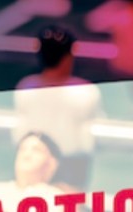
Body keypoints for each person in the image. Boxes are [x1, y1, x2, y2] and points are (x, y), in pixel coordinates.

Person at [15, 29, 103, 189]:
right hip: (73, 164)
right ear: (69, 56)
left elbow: (19, 133)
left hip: (36, 161)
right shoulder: (86, 91)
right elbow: (93, 137)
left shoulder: (26, 86)